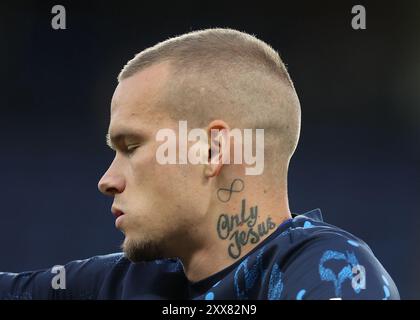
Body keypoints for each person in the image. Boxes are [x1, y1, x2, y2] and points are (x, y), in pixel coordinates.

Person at [0, 28, 399, 300]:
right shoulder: (122, 283)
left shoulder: (333, 273)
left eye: (131, 145)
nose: (107, 180)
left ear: (211, 150)